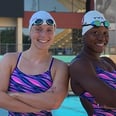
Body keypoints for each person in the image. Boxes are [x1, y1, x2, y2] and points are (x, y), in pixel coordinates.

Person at [0, 11, 69, 116]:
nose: (44, 35)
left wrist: (17, 95)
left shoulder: (59, 67)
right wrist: (39, 105)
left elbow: (54, 102)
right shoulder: (10, 60)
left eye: (49, 30)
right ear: (30, 31)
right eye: (38, 29)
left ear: (54, 34)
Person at [69, 10, 116, 116]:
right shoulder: (79, 65)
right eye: (95, 32)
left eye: (105, 33)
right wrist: (110, 101)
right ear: (83, 35)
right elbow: (112, 99)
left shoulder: (108, 62)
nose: (102, 38)